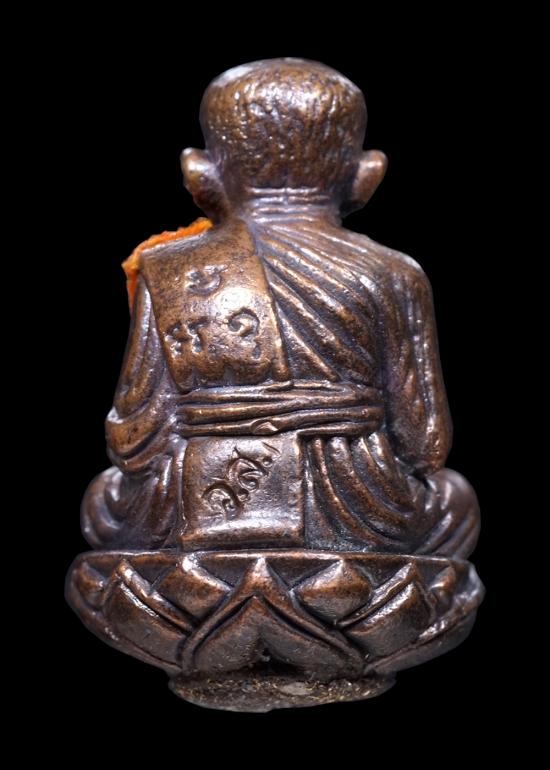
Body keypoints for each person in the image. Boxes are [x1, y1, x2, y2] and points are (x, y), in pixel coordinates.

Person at [82, 58, 479, 559]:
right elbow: (425, 443)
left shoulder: (168, 268)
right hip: (360, 509)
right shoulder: (394, 272)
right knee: (454, 499)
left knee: (104, 499)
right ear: (366, 173)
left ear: (199, 171)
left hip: (189, 510)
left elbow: (133, 436)